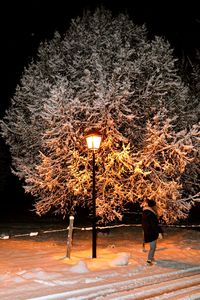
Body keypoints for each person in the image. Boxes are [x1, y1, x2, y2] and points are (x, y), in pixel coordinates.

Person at [142, 199, 163, 266]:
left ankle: (152, 257)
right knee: (152, 248)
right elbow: (154, 225)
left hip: (148, 232)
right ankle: (149, 261)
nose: (156, 207)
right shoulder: (151, 214)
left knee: (153, 246)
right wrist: (159, 232)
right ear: (153, 206)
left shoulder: (145, 213)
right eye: (155, 205)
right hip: (152, 233)